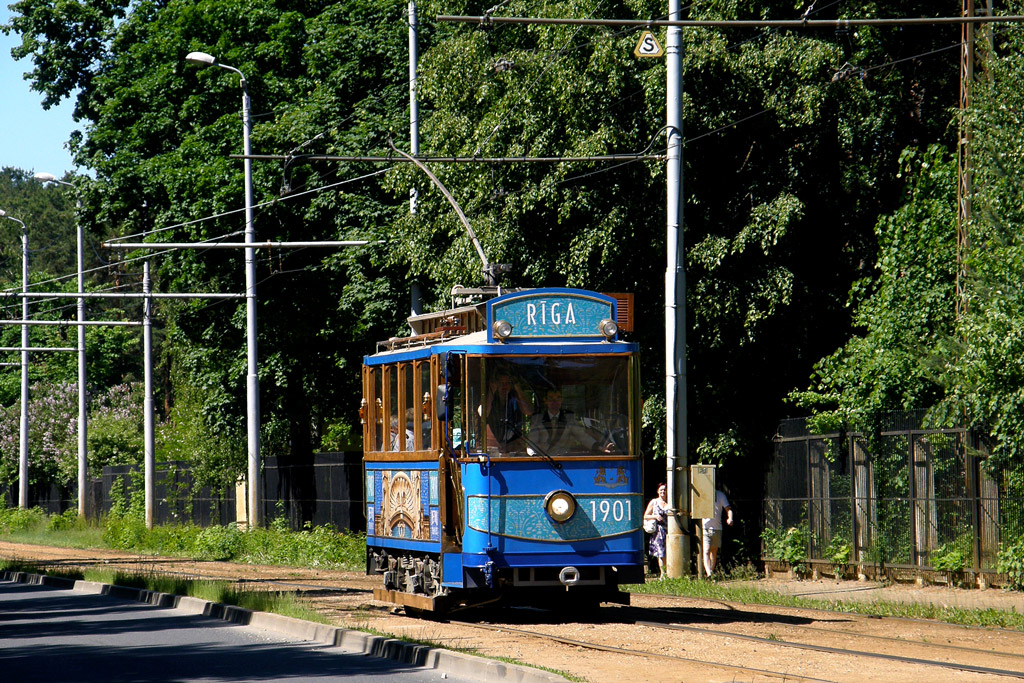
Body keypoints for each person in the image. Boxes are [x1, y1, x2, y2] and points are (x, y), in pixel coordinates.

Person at [526, 388, 612, 455]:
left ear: (561, 400)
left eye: (558, 398)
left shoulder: (569, 419)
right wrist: (535, 455)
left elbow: (582, 436)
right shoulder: (537, 419)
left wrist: (599, 447)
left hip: (564, 461)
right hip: (544, 461)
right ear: (546, 401)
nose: (555, 401)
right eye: (551, 398)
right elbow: (532, 444)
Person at [484, 371, 533, 453]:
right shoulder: (490, 398)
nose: (504, 386)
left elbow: (529, 411)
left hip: (514, 446)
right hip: (493, 446)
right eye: (501, 383)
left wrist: (518, 388)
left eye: (507, 383)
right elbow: (483, 413)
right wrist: (491, 389)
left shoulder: (515, 398)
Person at [701, 488, 733, 578]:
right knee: (706, 550)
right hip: (705, 527)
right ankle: (709, 573)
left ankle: (711, 572)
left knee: (714, 551)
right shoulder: (702, 494)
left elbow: (728, 509)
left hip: (717, 528)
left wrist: (730, 518)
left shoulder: (720, 495)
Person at [644, 483, 669, 577]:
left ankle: (668, 572)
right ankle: (663, 574)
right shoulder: (654, 502)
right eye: (661, 490)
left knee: (668, 552)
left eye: (665, 490)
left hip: (669, 531)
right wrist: (655, 516)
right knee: (661, 553)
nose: (663, 491)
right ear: (658, 491)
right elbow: (645, 516)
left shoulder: (669, 503)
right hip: (658, 531)